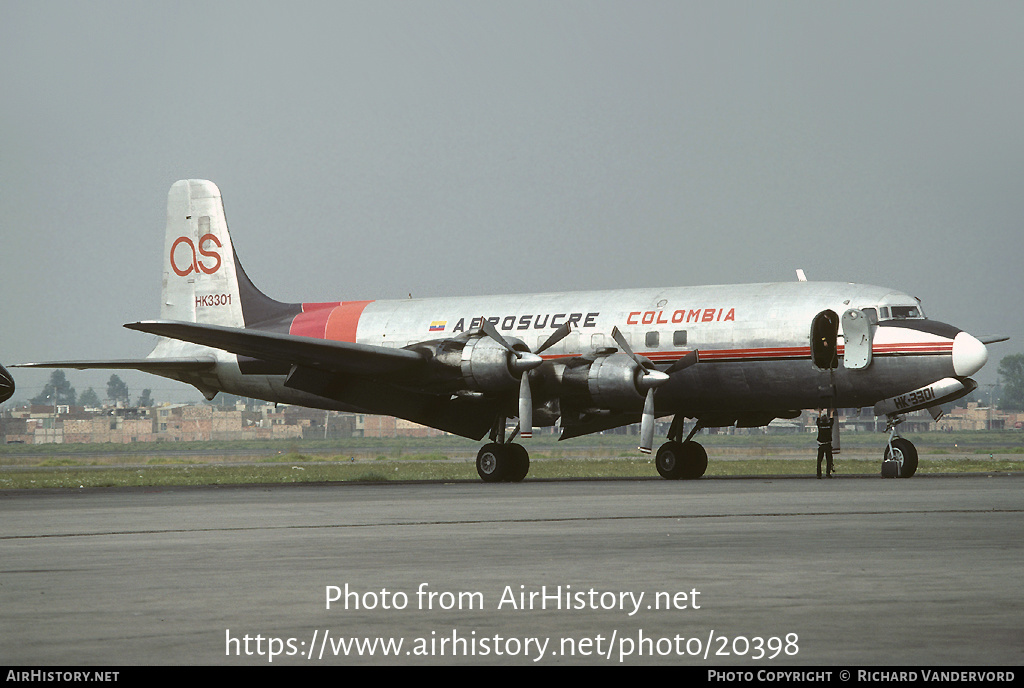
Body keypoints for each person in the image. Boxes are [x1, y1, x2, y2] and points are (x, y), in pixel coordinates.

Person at [816, 410, 835, 479]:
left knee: (819, 461)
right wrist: (831, 412)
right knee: (829, 460)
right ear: (827, 420)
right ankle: (828, 473)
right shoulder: (829, 425)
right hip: (828, 445)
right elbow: (832, 420)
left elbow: (817, 421)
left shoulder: (820, 425)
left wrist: (819, 412)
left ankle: (819, 475)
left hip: (821, 445)